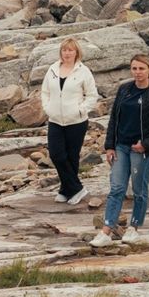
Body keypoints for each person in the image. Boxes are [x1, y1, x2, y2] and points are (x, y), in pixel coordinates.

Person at [91, 54, 149, 248]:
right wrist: (109, 146)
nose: (137, 72)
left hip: (141, 150)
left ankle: (134, 228)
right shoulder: (124, 90)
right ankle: (106, 231)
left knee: (139, 190)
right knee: (116, 188)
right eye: (134, 68)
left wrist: (146, 144)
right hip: (121, 147)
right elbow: (114, 119)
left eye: (141, 68)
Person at [41, 38, 100, 206]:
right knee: (56, 154)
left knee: (72, 157)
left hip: (76, 121)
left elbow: (92, 95)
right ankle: (76, 189)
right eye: (64, 50)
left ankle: (65, 190)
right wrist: (47, 108)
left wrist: (80, 110)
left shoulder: (83, 71)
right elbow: (45, 92)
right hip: (55, 120)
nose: (67, 53)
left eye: (70, 50)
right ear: (61, 52)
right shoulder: (52, 69)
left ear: (76, 52)